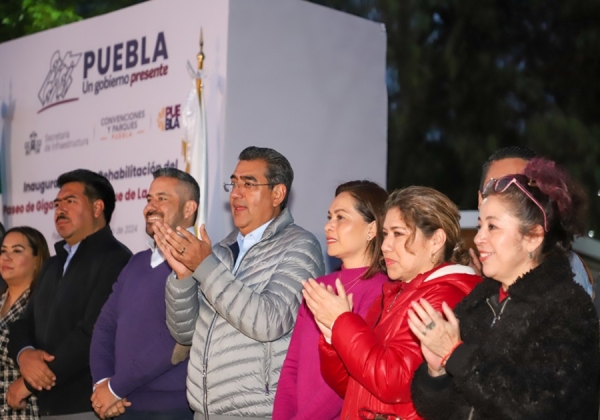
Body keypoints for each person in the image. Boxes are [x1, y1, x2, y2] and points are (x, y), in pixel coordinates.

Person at [409, 157, 600, 419]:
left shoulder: (568, 309)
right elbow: (436, 408)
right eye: (480, 226)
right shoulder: (480, 301)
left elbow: (537, 406)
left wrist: (456, 355)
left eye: (492, 227)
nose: (478, 239)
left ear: (532, 236)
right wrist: (436, 372)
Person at [154, 146, 325, 419]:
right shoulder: (219, 251)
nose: (235, 193)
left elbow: (270, 321)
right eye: (233, 183)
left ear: (278, 194)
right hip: (204, 412)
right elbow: (185, 334)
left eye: (248, 183)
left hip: (258, 412)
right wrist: (184, 278)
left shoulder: (300, 246)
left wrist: (204, 267)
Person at [303, 186, 481, 419]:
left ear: (436, 240)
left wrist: (342, 322)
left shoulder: (445, 295)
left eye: (398, 234)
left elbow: (394, 383)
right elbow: (351, 386)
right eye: (385, 234)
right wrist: (331, 335)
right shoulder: (392, 293)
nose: (385, 245)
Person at [7, 169, 132, 419]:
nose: (60, 209)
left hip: (87, 406)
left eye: (70, 201)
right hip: (47, 406)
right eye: (57, 203)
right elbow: (23, 323)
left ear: (97, 208)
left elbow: (93, 333)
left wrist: (31, 381)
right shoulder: (52, 265)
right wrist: (25, 356)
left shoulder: (116, 259)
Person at [273, 180, 390, 420]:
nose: (328, 226)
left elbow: (348, 378)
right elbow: (292, 366)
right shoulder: (320, 286)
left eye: (341, 217)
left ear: (372, 229)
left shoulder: (382, 291)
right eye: (329, 217)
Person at [90, 168, 198, 419]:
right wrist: (103, 383)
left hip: (171, 408)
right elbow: (105, 326)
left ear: (189, 208)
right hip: (123, 404)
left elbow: (178, 339)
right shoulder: (136, 262)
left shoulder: (200, 260)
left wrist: (115, 388)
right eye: (149, 199)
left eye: (162, 199)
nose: (150, 207)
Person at [471, 145, 593, 296]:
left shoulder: (567, 274)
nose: (503, 197)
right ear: (480, 199)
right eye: (492, 188)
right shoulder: (474, 288)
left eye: (518, 187)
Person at [1, 227, 50, 418]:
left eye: (17, 250)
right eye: (3, 250)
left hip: (21, 412)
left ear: (37, 260)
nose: (6, 257)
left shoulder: (42, 305)